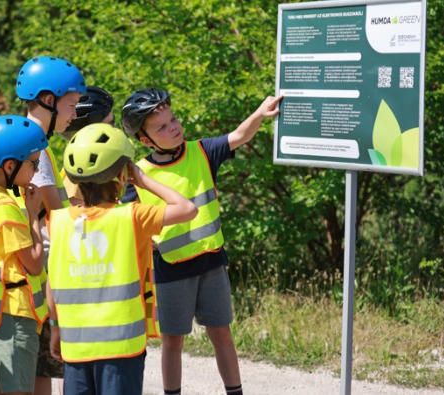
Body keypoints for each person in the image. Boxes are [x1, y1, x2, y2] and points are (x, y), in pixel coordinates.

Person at [121, 88, 283, 395]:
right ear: (145, 140)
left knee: (221, 333)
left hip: (211, 262)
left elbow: (238, 135)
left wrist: (260, 114)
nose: (174, 127)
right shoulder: (138, 175)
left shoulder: (201, 151)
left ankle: (235, 391)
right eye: (163, 127)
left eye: (174, 120)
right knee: (173, 341)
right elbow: (126, 220)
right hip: (169, 270)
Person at [46, 123, 197, 395]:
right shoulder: (132, 216)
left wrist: (55, 327)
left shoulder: (57, 222)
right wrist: (142, 178)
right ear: (121, 175)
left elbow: (53, 282)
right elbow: (187, 209)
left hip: (75, 347)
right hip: (121, 348)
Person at [15, 55, 87, 394]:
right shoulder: (35, 149)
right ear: (48, 100)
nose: (74, 114)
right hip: (39, 273)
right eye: (71, 104)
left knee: (40, 370)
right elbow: (57, 217)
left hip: (36, 271)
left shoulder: (31, 143)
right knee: (40, 369)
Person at [0, 115, 49, 395]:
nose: (36, 169)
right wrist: (33, 214)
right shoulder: (4, 207)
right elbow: (35, 263)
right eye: (34, 163)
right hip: (15, 314)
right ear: (9, 165)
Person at [61, 85, 116, 205]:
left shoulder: (93, 169)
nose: (116, 130)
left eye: (114, 122)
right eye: (110, 126)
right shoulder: (78, 180)